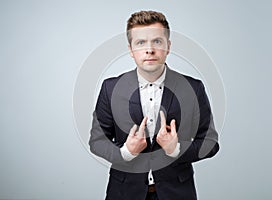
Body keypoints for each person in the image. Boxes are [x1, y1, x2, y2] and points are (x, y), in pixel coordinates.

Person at [89, 10, 219, 200]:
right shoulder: (110, 88)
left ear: (168, 46)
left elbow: (210, 143)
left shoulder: (193, 88)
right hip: (124, 193)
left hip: (177, 193)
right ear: (131, 50)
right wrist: (125, 152)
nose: (149, 49)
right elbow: (97, 141)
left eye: (157, 41)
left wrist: (175, 149)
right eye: (141, 43)